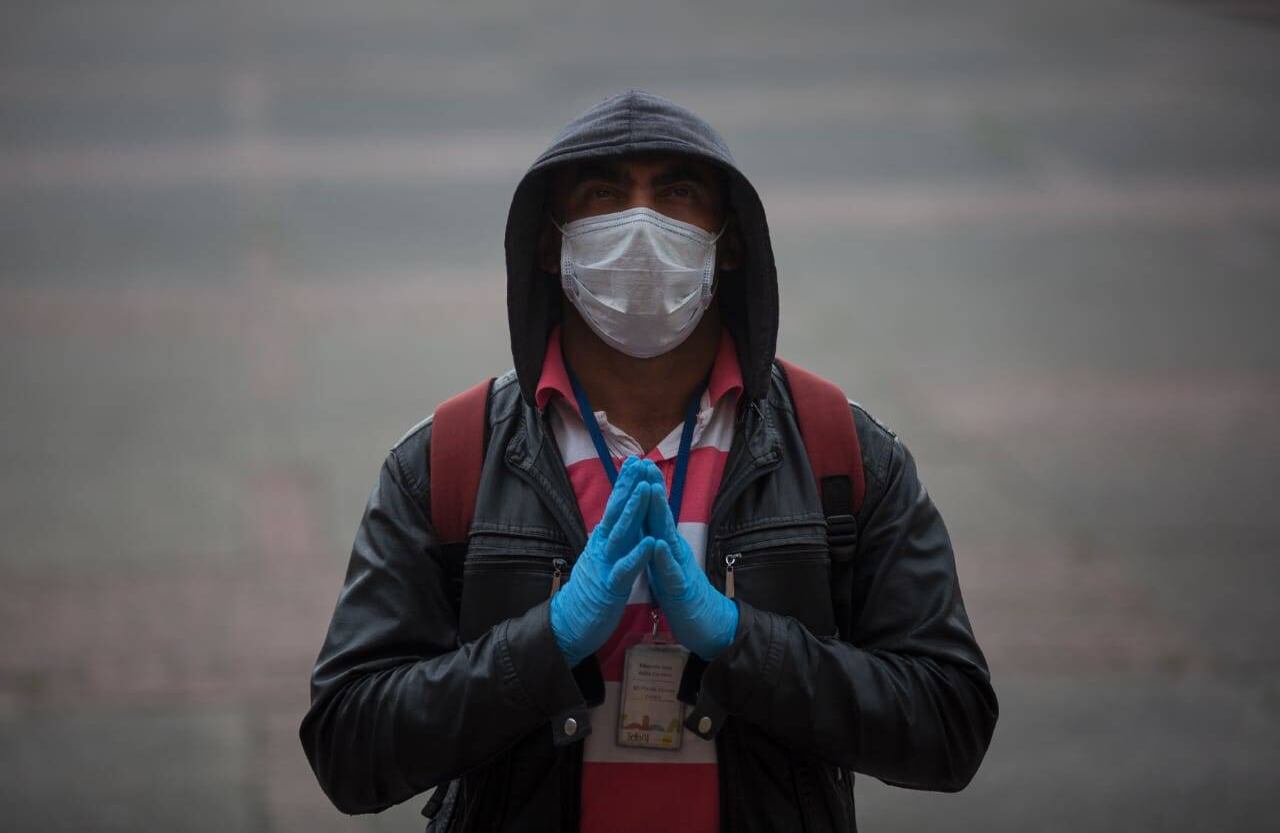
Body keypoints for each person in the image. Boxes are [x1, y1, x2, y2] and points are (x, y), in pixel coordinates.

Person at [300, 90, 998, 832]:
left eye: (677, 191)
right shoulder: (448, 459)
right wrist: (547, 642)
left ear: (729, 239)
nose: (640, 224)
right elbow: (349, 745)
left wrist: (741, 642)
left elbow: (949, 722)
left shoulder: (840, 450)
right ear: (551, 241)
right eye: (603, 192)